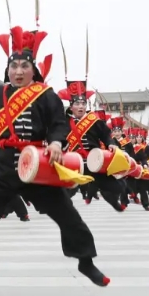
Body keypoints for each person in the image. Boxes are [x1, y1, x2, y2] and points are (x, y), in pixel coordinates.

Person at [0, 20, 109, 288]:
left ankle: (86, 260)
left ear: (33, 69)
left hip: (37, 166)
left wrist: (56, 143)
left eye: (24, 66)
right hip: (1, 167)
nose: (18, 71)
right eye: (14, 66)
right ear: (8, 70)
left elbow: (58, 123)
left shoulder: (45, 95)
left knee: (67, 213)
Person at [57, 81, 125, 213]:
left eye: (83, 103)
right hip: (72, 162)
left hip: (93, 161)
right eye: (77, 104)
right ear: (71, 106)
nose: (81, 106)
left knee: (118, 187)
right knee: (66, 191)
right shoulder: (63, 121)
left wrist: (111, 144)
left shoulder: (93, 120)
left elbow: (106, 135)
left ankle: (110, 198)